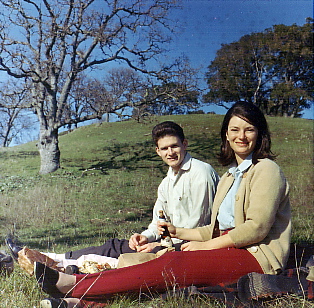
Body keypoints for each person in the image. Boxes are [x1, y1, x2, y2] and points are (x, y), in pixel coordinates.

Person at [34, 102, 291, 308]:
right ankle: (82, 302)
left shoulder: (266, 170)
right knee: (167, 268)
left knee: (175, 264)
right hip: (227, 247)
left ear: (260, 134)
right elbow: (213, 229)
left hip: (256, 256)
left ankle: (73, 284)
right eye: (234, 129)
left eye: (249, 129)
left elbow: (255, 228)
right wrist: (177, 232)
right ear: (226, 134)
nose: (241, 136)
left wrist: (205, 246)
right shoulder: (229, 176)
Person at [6, 121, 219, 267]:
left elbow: (197, 227)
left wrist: (160, 243)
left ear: (185, 144)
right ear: (157, 151)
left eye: (174, 146)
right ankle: (49, 258)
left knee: (125, 259)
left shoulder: (200, 173)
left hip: (191, 249)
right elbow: (158, 223)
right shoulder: (166, 182)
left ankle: (59, 268)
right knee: (113, 246)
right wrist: (144, 237)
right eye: (164, 149)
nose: (170, 153)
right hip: (168, 243)